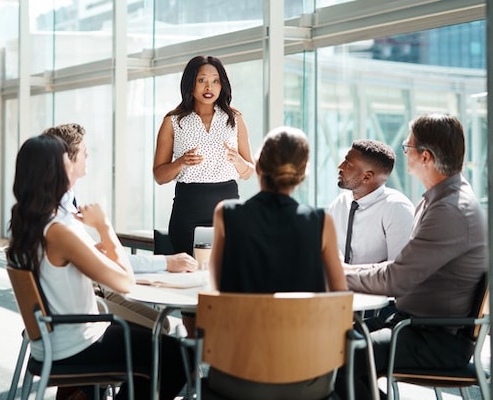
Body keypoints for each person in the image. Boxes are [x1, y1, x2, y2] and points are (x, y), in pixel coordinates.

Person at [6, 134, 188, 400]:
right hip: (77, 344)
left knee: (158, 347)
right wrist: (104, 227)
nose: (72, 164)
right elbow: (124, 283)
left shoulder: (26, 221)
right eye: (67, 160)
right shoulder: (58, 231)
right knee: (178, 355)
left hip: (55, 340)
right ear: (54, 171)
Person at [337, 113, 487, 399]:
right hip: (414, 325)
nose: (404, 153)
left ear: (426, 157)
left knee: (342, 355)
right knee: (330, 343)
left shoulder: (450, 209)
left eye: (408, 147)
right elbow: (401, 269)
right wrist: (342, 270)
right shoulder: (440, 199)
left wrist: (338, 274)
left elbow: (397, 279)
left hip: (435, 338)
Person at [207, 126, 348, 399]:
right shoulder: (321, 222)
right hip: (308, 379)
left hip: (234, 375)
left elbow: (216, 291)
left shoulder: (226, 214)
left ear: (258, 166)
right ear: (302, 173)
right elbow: (339, 302)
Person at [41, 123, 196, 334]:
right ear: (66, 159)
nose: (87, 154)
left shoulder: (57, 211)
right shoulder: (60, 223)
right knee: (161, 332)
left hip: (84, 296)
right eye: (82, 151)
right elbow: (124, 279)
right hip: (82, 313)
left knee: (164, 324)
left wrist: (94, 251)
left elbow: (95, 262)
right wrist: (104, 225)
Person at [153, 55, 254, 256]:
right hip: (188, 211)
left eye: (215, 81)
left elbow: (248, 171)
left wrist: (238, 161)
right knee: (190, 271)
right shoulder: (173, 121)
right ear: (190, 84)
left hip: (228, 211)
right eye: (202, 80)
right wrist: (181, 162)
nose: (209, 87)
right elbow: (159, 176)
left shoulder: (235, 119)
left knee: (227, 272)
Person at [329, 139, 415, 264]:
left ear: (367, 177)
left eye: (348, 164)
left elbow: (400, 272)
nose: (340, 166)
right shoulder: (338, 205)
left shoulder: (397, 209)